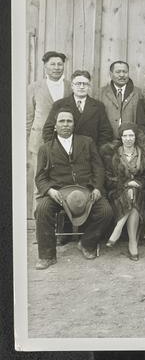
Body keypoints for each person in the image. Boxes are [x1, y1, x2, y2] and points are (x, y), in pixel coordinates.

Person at [34, 108, 114, 270]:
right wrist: (50, 190)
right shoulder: (46, 148)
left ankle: (86, 243)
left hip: (86, 191)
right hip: (59, 193)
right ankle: (47, 256)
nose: (65, 125)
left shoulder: (87, 142)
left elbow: (98, 168)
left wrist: (97, 188)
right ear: (55, 126)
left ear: (74, 124)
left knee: (107, 212)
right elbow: (40, 177)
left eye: (69, 121)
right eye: (61, 121)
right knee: (42, 209)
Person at [102, 123, 145, 261]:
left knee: (134, 194)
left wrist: (138, 183)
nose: (128, 139)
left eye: (131, 135)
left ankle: (119, 227)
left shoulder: (144, 154)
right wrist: (126, 184)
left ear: (135, 137)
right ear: (121, 137)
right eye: (125, 136)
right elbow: (108, 177)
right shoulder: (112, 155)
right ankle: (132, 243)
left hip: (141, 191)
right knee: (131, 195)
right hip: (117, 192)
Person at [27, 51, 72, 217]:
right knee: (39, 182)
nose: (56, 68)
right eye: (52, 64)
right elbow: (28, 118)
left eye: (60, 64)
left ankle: (61, 224)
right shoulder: (34, 87)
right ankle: (39, 224)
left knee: (63, 181)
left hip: (64, 142)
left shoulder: (70, 86)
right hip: (39, 142)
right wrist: (28, 144)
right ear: (45, 66)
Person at [42, 70, 113, 148]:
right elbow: (48, 131)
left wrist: (96, 151)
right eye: (78, 84)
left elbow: (106, 133)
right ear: (72, 86)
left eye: (85, 84)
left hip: (89, 153)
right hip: (65, 153)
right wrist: (57, 150)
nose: (82, 87)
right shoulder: (59, 105)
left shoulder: (98, 106)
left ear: (89, 86)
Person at [94, 60, 143, 138]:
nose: (122, 75)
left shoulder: (138, 93)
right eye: (118, 72)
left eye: (125, 72)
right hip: (107, 141)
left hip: (130, 141)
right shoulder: (100, 93)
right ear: (111, 74)